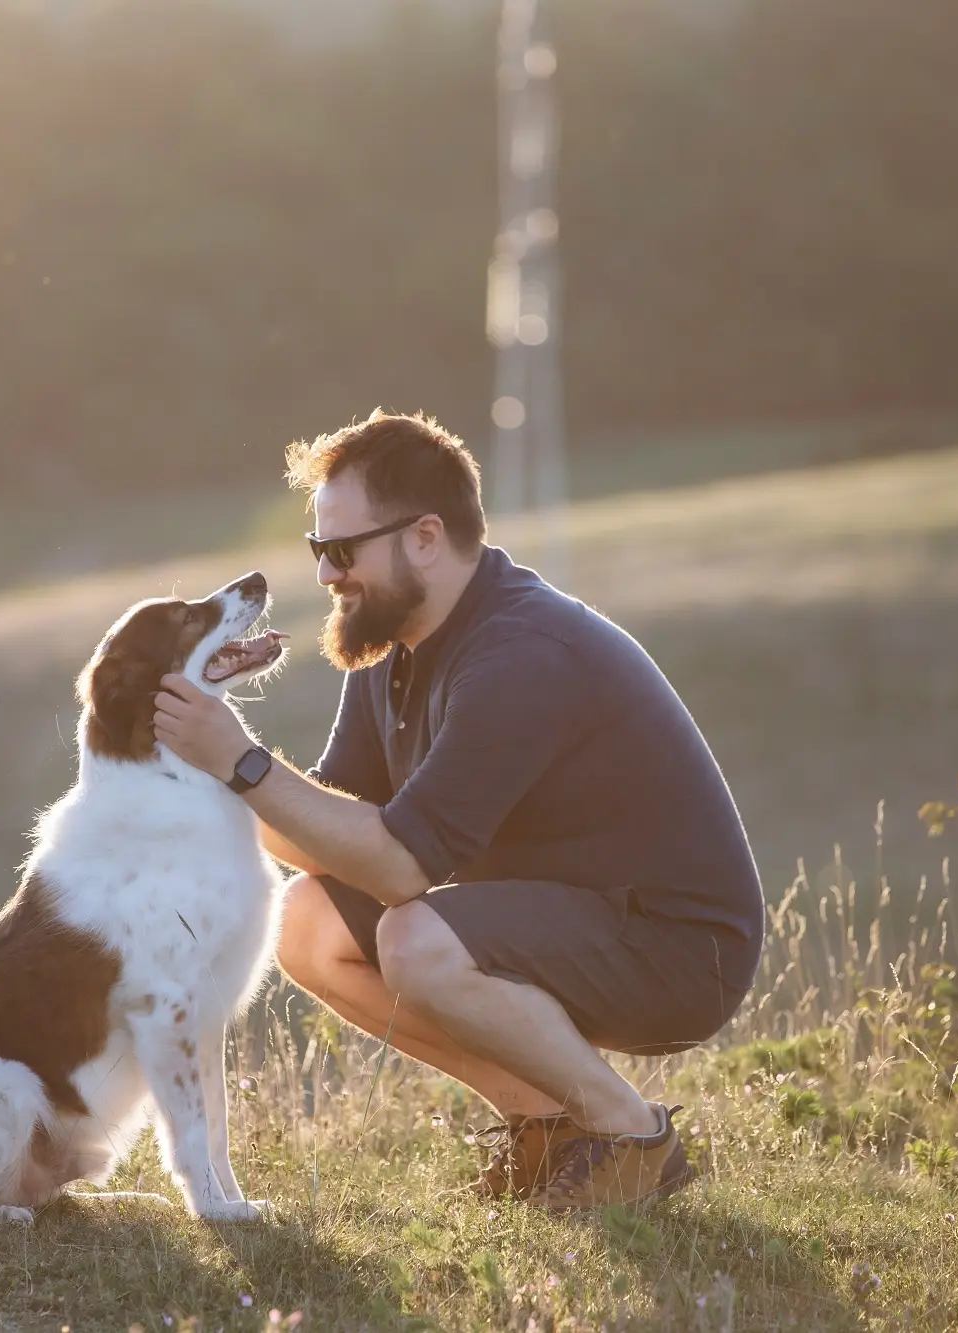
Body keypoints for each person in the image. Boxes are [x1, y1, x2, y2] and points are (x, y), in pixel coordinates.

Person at [152, 410, 764, 1209]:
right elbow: (326, 840)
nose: (327, 576)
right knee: (308, 924)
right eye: (318, 552)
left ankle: (632, 1136)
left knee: (414, 937)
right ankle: (548, 1126)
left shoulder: (520, 652)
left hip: (677, 948)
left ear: (426, 537)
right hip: (571, 920)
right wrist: (210, 765)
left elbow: (400, 865)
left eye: (341, 551)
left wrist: (240, 759)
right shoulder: (393, 644)